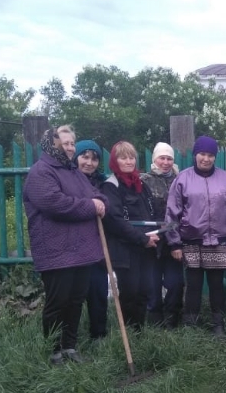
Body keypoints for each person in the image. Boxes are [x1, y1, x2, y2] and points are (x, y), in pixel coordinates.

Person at [23, 126, 106, 365]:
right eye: (65, 143)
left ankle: (69, 347)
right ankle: (53, 351)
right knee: (58, 302)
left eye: (72, 143)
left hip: (81, 250)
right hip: (56, 251)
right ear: (52, 144)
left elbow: (97, 195)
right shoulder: (41, 172)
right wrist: (91, 206)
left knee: (76, 300)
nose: (69, 148)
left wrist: (99, 202)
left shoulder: (74, 172)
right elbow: (54, 203)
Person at [166, 136, 226, 337]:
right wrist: (174, 243)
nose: (206, 159)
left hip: (219, 240)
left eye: (210, 155)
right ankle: (191, 324)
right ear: (195, 155)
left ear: (215, 157)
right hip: (191, 240)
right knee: (194, 284)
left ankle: (218, 324)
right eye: (202, 154)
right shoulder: (182, 179)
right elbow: (172, 213)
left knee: (216, 284)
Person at [100, 141, 160, 331]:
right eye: (123, 157)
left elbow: (152, 214)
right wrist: (142, 239)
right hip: (125, 250)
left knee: (144, 290)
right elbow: (115, 221)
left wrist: (158, 233)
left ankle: (139, 331)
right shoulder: (111, 186)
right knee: (131, 292)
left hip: (146, 248)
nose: (128, 161)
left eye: (131, 157)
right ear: (115, 161)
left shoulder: (141, 184)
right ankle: (128, 332)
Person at [140, 142, 185, 329]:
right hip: (151, 240)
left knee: (175, 283)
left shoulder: (180, 179)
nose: (165, 162)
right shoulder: (143, 180)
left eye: (169, 158)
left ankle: (172, 320)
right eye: (162, 158)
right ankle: (155, 322)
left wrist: (177, 242)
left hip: (173, 241)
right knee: (152, 284)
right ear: (154, 159)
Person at [72, 139, 109, 340]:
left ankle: (99, 334)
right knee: (74, 295)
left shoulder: (102, 182)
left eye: (94, 159)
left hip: (97, 245)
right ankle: (70, 338)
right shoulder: (67, 180)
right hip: (74, 246)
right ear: (76, 157)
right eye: (84, 157)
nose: (89, 162)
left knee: (98, 291)